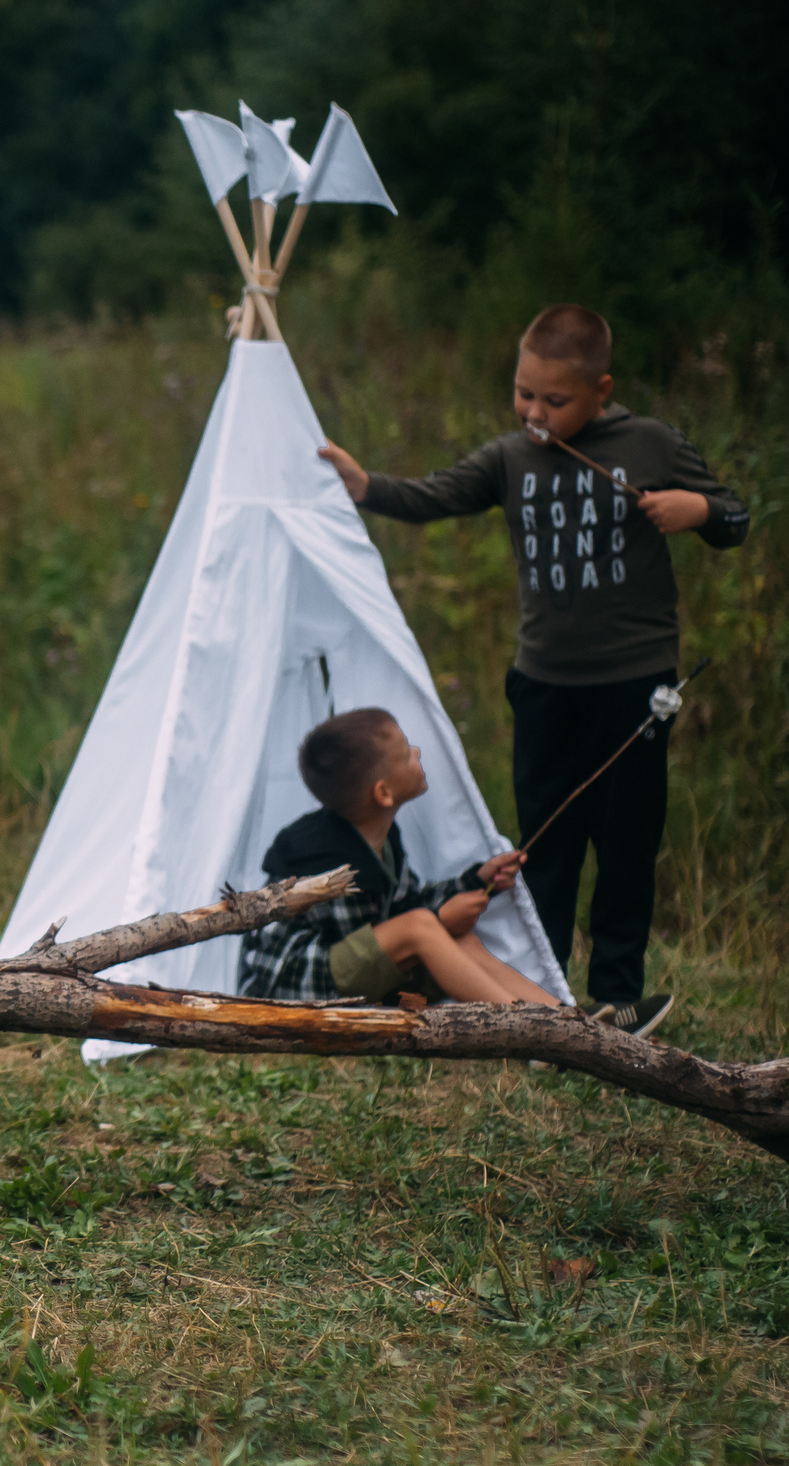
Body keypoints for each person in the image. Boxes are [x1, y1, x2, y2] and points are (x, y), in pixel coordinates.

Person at [315, 305, 747, 1036]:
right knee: (546, 845)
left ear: (601, 390)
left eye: (555, 400)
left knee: (626, 841)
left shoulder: (650, 443)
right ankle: (544, 1000)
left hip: (634, 684)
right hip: (545, 684)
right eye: (523, 394)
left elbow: (735, 517)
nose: (535, 413)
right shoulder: (509, 458)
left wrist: (698, 507)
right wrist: (367, 486)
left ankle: (618, 996)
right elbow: (435, 495)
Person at [239, 708, 559, 1009]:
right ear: (383, 793)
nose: (416, 753)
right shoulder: (332, 862)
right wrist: (439, 918)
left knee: (463, 941)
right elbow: (382, 935)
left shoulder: (379, 838)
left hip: (339, 975)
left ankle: (565, 1018)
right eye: (406, 754)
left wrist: (475, 881)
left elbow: (406, 904)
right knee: (420, 928)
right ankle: (529, 1030)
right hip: (292, 989)